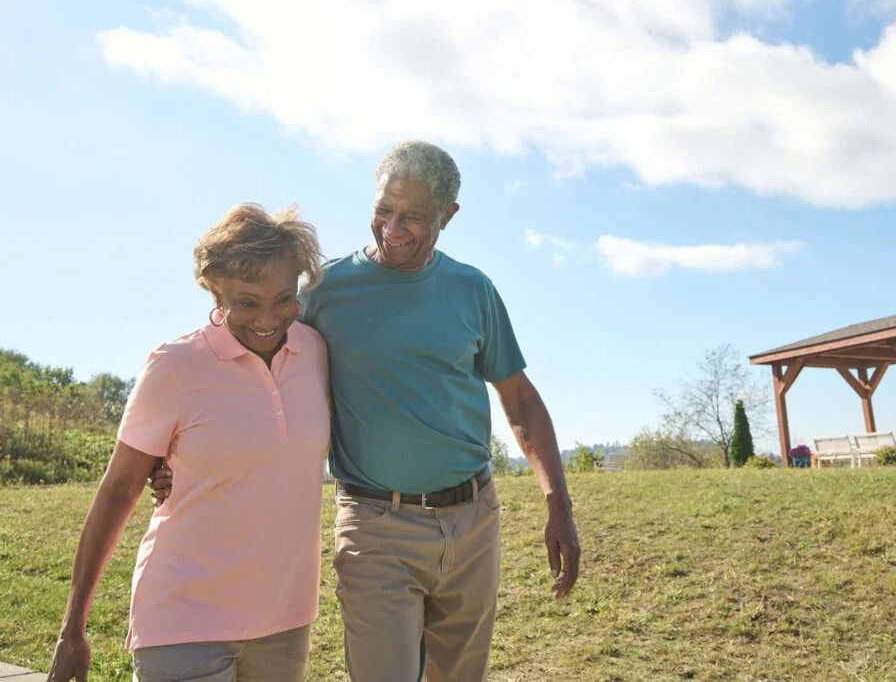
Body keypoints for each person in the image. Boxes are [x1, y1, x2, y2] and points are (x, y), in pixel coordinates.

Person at [154, 141, 581, 681]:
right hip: (377, 526)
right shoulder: (326, 292)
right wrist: (171, 452)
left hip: (474, 520)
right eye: (384, 209)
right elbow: (243, 350)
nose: (393, 228)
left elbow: (519, 399)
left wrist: (558, 503)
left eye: (414, 217)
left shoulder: (474, 290)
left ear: (448, 216)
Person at [47, 204, 331, 682]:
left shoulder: (315, 351)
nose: (268, 319)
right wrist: (72, 628)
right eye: (246, 302)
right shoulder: (175, 366)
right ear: (215, 291)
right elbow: (118, 490)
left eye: (284, 299)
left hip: (284, 622)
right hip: (182, 619)